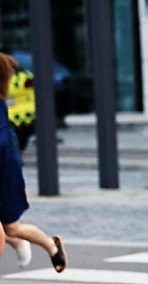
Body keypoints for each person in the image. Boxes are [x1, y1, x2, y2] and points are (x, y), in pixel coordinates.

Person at [0, 52, 67, 272]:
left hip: (5, 176)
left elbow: (4, 148)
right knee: (11, 229)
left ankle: (49, 245)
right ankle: (46, 245)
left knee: (11, 228)